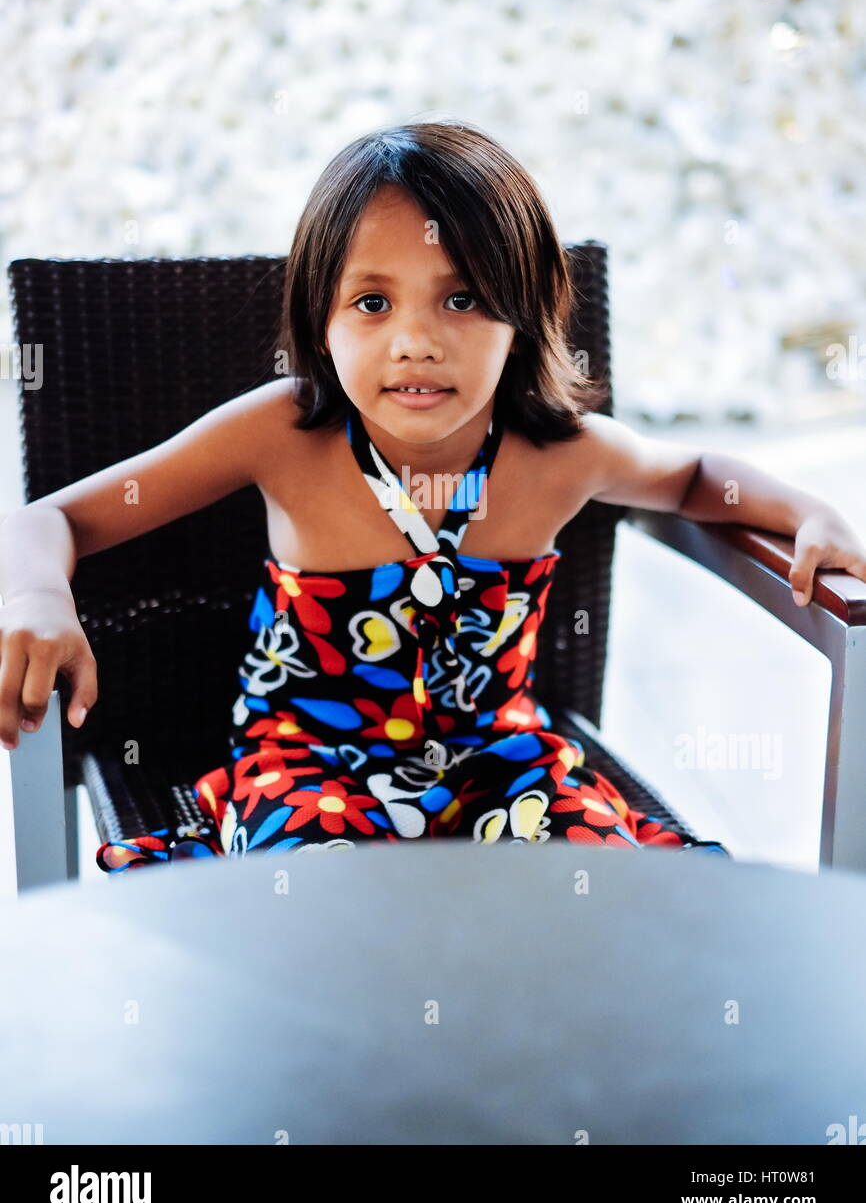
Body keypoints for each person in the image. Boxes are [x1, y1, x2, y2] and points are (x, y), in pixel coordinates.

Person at [2, 122, 865, 871]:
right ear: (319, 320)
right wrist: (40, 593)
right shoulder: (282, 432)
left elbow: (692, 479)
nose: (416, 341)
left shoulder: (559, 451)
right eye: (371, 302)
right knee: (313, 899)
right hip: (307, 765)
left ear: (521, 315)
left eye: (462, 299)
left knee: (603, 883)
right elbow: (52, 518)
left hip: (504, 757)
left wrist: (807, 512)